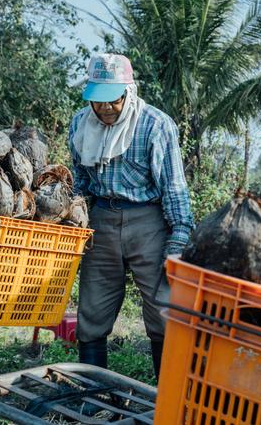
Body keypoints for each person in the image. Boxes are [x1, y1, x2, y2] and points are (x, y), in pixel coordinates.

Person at [69, 53, 194, 380]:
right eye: (98, 101)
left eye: (114, 100)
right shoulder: (80, 123)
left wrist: (178, 240)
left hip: (148, 222)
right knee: (93, 309)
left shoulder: (155, 125)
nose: (106, 108)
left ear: (129, 92)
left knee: (162, 309)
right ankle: (93, 395)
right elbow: (80, 179)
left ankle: (166, 397)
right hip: (101, 221)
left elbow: (174, 187)